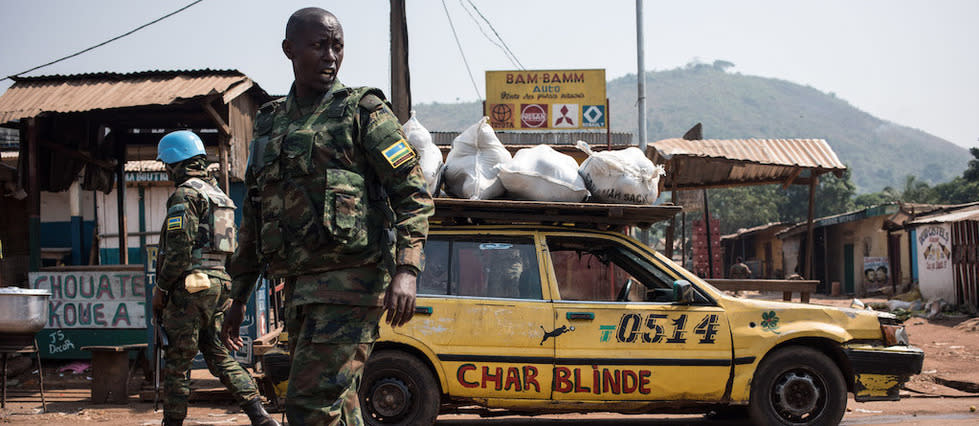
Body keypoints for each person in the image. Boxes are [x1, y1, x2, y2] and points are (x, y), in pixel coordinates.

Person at [221, 7, 434, 425]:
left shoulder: (363, 111)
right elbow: (255, 215)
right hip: (300, 291)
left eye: (337, 46)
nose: (330, 56)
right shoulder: (269, 121)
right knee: (340, 406)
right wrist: (238, 296)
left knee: (308, 406)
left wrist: (407, 269)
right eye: (319, 45)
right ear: (289, 50)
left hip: (352, 286)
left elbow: (413, 195)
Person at [151, 130, 278, 426]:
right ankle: (260, 417)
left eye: (167, 165)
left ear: (174, 163)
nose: (167, 171)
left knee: (177, 361)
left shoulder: (186, 195)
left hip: (191, 286)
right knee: (218, 354)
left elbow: (179, 250)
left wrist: (160, 288)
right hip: (219, 284)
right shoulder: (219, 196)